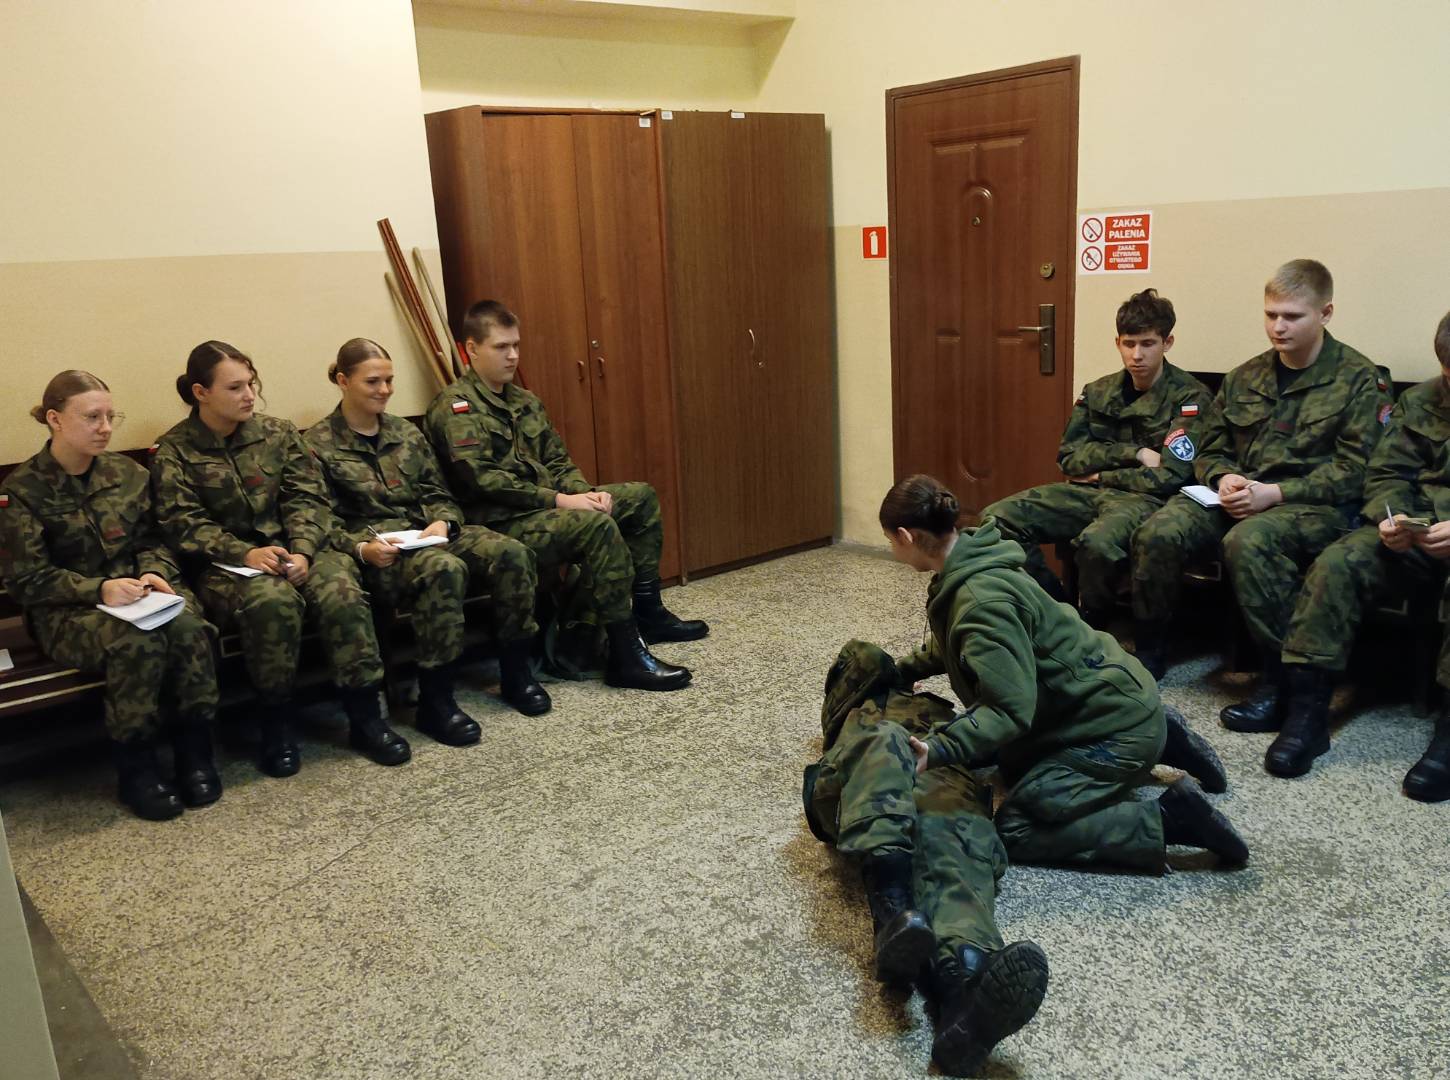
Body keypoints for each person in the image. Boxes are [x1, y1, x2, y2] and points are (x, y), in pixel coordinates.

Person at [882, 474, 1246, 876]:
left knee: (1017, 828)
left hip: (1115, 728)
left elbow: (1008, 711)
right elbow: (961, 641)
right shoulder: (975, 560)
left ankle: (1171, 818)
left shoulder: (981, 601)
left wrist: (937, 749)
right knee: (1011, 765)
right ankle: (1163, 734)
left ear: (906, 536)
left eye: (890, 541)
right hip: (1108, 696)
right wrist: (903, 670)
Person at [1131, 260, 1392, 691]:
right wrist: (1224, 477)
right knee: (1160, 530)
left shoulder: (1360, 380)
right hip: (1239, 496)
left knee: (1249, 540)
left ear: (1325, 313)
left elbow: (1357, 471)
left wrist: (1276, 493)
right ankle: (1150, 649)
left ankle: (1281, 676)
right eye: (1271, 314)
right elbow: (1210, 447)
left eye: (1292, 316)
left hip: (1313, 506)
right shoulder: (1244, 377)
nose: (1278, 327)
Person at [151, 341, 409, 775]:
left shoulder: (279, 433)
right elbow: (183, 523)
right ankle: (277, 725)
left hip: (296, 550)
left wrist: (304, 549)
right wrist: (245, 552)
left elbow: (307, 497)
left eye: (251, 384)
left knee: (342, 592)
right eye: (235, 387)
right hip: (226, 567)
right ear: (201, 392)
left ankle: (366, 717)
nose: (249, 395)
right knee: (272, 602)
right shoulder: (175, 450)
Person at [424, 300, 707, 692]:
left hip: (546, 509)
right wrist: (560, 500)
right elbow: (483, 481)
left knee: (639, 498)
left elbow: (557, 459)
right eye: (501, 347)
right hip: (498, 523)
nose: (512, 355)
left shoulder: (525, 402)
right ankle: (625, 655)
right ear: (471, 349)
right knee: (595, 527)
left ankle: (649, 613)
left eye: (516, 345)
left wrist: (584, 493)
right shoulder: (455, 408)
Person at [802, 639, 1049, 1077]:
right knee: (887, 742)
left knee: (955, 845)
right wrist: (909, 671)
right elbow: (865, 658)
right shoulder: (854, 712)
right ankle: (890, 908)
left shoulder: (939, 710)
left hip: (940, 782)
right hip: (868, 779)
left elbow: (992, 738)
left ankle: (963, 998)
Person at [0, 371, 221, 820]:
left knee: (190, 629)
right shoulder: (23, 491)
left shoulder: (128, 474)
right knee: (136, 642)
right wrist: (97, 588)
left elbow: (152, 539)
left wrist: (154, 570)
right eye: (92, 417)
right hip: (65, 613)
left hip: (139, 597)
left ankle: (194, 755)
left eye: (110, 416)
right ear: (55, 419)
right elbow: (27, 579)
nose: (105, 427)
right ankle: (138, 769)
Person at [306, 338, 549, 723]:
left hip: (425, 533)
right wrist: (361, 548)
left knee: (512, 554)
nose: (384, 390)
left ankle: (517, 675)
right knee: (443, 569)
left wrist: (444, 521)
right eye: (372, 381)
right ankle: (437, 700)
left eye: (389, 380)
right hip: (378, 553)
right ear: (343, 381)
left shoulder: (406, 433)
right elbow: (319, 519)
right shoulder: (317, 445)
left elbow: (437, 491)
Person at [1270, 310, 1450, 792]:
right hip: (1419, 533)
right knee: (1338, 563)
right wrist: (1392, 518)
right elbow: (1387, 473)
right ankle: (1307, 714)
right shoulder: (1421, 401)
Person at [983, 289, 1213, 629]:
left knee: (1098, 543)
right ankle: (1058, 612)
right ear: (1117, 343)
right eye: (1128, 343)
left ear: (1167, 342)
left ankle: (1095, 626)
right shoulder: (1098, 391)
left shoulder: (1190, 397)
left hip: (1145, 500)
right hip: (1087, 493)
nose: (1137, 355)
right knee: (997, 519)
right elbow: (1069, 459)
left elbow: (1170, 477)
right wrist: (1133, 452)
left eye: (1148, 343)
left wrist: (1101, 474)